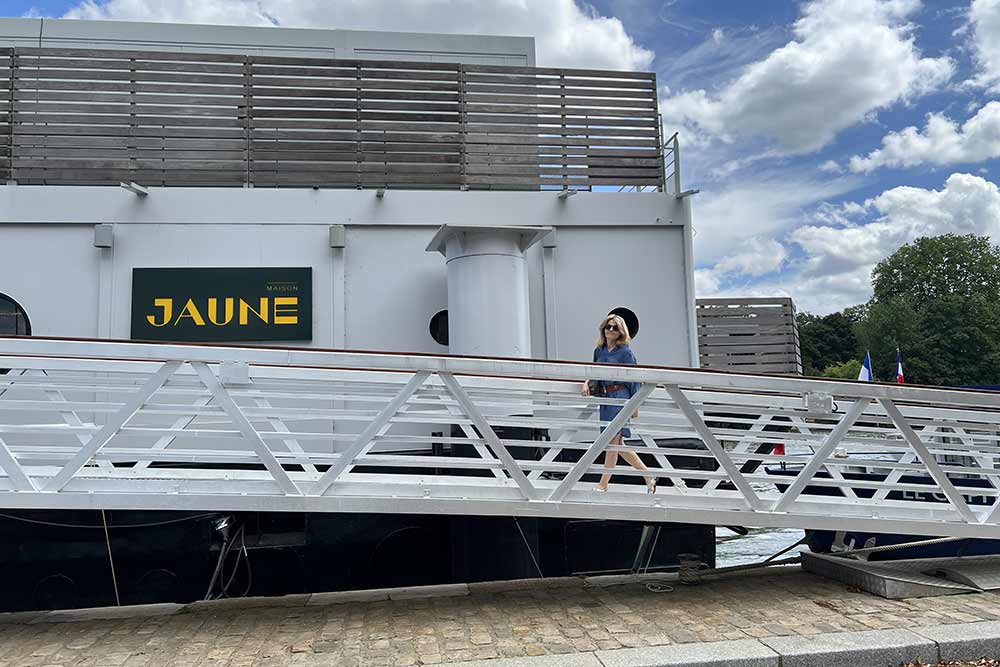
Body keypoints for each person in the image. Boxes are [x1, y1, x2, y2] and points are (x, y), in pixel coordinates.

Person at [581, 314, 656, 493]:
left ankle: (603, 483)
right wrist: (586, 383)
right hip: (605, 399)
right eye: (608, 326)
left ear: (621, 331)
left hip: (620, 397)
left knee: (611, 443)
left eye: (615, 327)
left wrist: (634, 405)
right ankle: (648, 475)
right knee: (616, 444)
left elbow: (634, 378)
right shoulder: (599, 350)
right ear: (603, 329)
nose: (611, 330)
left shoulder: (625, 352)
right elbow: (594, 371)